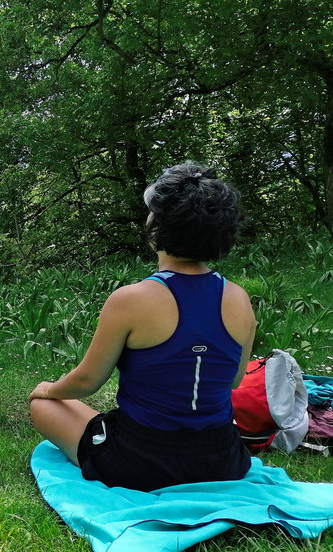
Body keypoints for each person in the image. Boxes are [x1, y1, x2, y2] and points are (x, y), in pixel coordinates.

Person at [28, 162, 256, 491]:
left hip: (139, 461)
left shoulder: (131, 299)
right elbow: (233, 380)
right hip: (222, 459)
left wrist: (48, 389)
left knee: (45, 406)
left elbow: (87, 381)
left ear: (158, 226)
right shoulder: (239, 299)